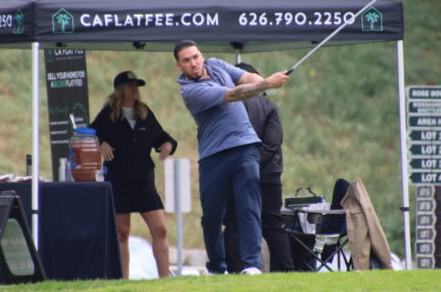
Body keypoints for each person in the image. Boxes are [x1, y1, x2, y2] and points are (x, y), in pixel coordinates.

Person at [174, 40, 289, 275]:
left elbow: (246, 79)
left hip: (245, 147)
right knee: (212, 217)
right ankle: (217, 266)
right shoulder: (190, 91)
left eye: (195, 57)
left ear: (201, 55)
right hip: (213, 155)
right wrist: (268, 83)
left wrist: (265, 84)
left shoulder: (216, 64)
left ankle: (252, 265)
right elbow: (233, 94)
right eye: (186, 60)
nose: (193, 63)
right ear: (179, 65)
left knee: (249, 208)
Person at [91, 71, 177, 279]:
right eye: (130, 85)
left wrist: (168, 146)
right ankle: (124, 280)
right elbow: (90, 133)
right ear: (120, 89)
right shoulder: (108, 114)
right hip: (118, 181)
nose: (135, 89)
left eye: (137, 85)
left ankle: (165, 279)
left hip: (144, 181)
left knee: (160, 229)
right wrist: (100, 143)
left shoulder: (144, 112)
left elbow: (163, 137)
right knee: (122, 232)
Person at [223, 62, 294, 273]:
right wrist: (253, 166)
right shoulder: (270, 107)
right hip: (268, 176)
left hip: (235, 175)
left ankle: (236, 270)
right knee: (272, 225)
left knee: (234, 224)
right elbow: (272, 145)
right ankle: (286, 271)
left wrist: (242, 169)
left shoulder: (227, 107)